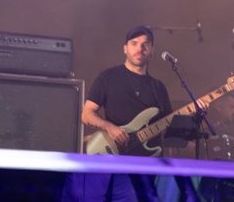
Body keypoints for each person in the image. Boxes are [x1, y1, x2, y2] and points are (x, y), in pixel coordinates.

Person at [61, 25, 171, 202]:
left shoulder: (158, 88)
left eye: (145, 44)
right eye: (134, 43)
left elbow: (168, 125)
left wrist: (195, 115)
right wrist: (109, 127)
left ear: (152, 50)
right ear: (125, 49)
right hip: (108, 155)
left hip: (142, 165)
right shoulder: (108, 77)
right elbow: (87, 114)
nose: (139, 48)